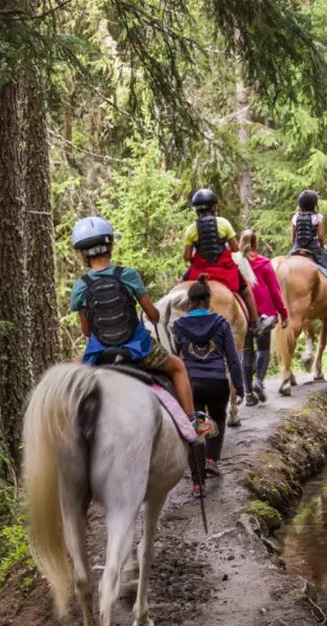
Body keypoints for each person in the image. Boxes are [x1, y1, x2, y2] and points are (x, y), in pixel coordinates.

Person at [69, 215, 206, 435]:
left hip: (99, 354)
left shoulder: (80, 286)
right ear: (110, 245)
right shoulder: (128, 275)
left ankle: (73, 434)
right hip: (138, 349)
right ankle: (192, 423)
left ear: (82, 253)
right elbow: (152, 314)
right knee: (178, 367)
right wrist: (149, 316)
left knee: (69, 381)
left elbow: (86, 331)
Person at [173, 275, 245, 490]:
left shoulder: (179, 325)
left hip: (192, 382)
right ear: (208, 300)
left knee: (196, 425)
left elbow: (175, 356)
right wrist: (240, 386)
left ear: (190, 301)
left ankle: (198, 482)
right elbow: (232, 357)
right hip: (217, 381)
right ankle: (212, 460)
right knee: (218, 418)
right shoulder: (221, 322)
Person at [182, 188, 277, 336]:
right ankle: (255, 322)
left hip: (200, 270)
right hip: (224, 268)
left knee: (179, 287)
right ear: (214, 207)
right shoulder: (223, 223)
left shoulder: (191, 229)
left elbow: (187, 257)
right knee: (245, 290)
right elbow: (234, 249)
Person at [239, 229, 288, 407]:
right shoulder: (264, 263)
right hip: (264, 312)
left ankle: (248, 394)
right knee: (263, 348)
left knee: (246, 351)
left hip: (243, 313)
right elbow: (275, 291)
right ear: (256, 244)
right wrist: (284, 313)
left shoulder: (236, 263)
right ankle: (259, 381)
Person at [289, 189, 327, 302]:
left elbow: (293, 236)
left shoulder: (295, 217)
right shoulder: (318, 217)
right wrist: (322, 247)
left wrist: (295, 247)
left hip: (297, 247)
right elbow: (320, 236)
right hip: (313, 248)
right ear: (314, 204)